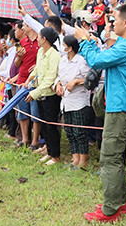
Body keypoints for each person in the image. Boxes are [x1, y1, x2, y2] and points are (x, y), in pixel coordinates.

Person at [76, 3, 126, 222]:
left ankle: (111, 208)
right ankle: (120, 201)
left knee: (110, 156)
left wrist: (84, 40)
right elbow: (103, 57)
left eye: (114, 19)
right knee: (114, 155)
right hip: (119, 105)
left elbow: (96, 60)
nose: (111, 23)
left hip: (120, 107)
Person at [56, 34, 92, 170]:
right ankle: (75, 158)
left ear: (70, 48)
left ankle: (83, 160)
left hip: (79, 101)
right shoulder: (63, 61)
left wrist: (76, 81)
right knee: (70, 131)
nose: (62, 48)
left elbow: (89, 79)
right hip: (66, 100)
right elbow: (59, 77)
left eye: (64, 45)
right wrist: (58, 85)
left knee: (79, 131)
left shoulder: (81, 61)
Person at [27, 27, 61, 166]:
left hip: (49, 95)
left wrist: (34, 93)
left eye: (39, 36)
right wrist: (29, 79)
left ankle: (55, 155)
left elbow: (49, 78)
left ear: (44, 39)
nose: (37, 38)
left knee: (51, 126)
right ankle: (48, 151)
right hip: (40, 94)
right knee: (44, 125)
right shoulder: (41, 51)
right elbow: (37, 69)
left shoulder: (55, 56)